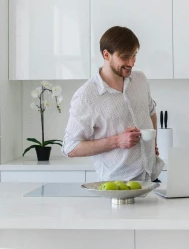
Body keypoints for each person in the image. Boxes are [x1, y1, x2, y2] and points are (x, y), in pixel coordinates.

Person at [62, 25, 164, 183]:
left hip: (151, 178)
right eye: (125, 57)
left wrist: (153, 144)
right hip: (118, 185)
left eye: (134, 55)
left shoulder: (140, 80)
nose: (132, 62)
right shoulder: (87, 96)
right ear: (106, 55)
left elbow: (151, 111)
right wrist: (117, 141)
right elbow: (70, 147)